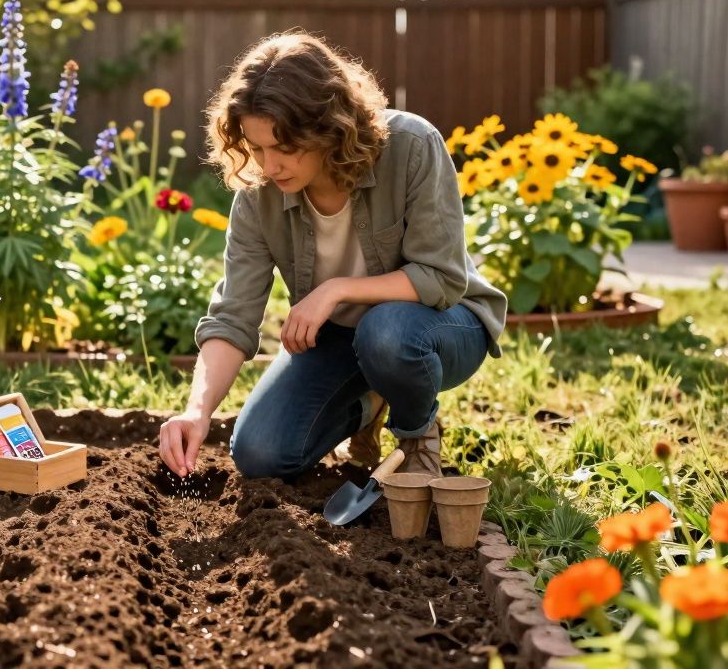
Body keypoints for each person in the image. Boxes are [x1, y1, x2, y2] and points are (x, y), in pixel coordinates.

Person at [157, 30, 507, 482]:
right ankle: (367, 407)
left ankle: (417, 437)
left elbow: (440, 278)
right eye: (257, 147)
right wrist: (196, 411)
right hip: (342, 338)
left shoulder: (411, 145)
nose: (269, 166)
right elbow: (233, 316)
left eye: (285, 148)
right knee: (260, 454)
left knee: (387, 332)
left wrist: (336, 290)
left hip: (439, 324)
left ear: (329, 127)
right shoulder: (257, 197)